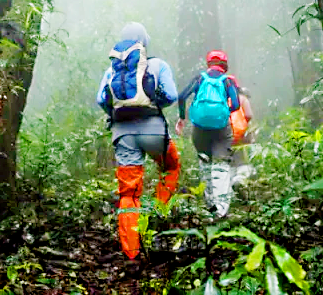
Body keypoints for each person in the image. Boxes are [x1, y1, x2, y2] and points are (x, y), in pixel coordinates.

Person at [96, 22, 180, 259]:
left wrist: (116, 114)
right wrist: (153, 104)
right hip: (154, 132)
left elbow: (102, 99)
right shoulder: (157, 65)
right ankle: (155, 216)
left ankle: (131, 253)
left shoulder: (111, 71)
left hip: (123, 135)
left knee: (129, 194)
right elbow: (172, 95)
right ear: (144, 41)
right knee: (170, 167)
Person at [175, 49, 241, 218]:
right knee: (221, 164)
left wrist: (182, 118)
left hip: (200, 128)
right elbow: (235, 104)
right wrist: (223, 111)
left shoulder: (199, 78)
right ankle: (221, 210)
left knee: (205, 161)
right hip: (221, 129)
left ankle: (208, 205)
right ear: (224, 65)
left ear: (209, 64)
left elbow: (182, 97)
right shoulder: (227, 82)